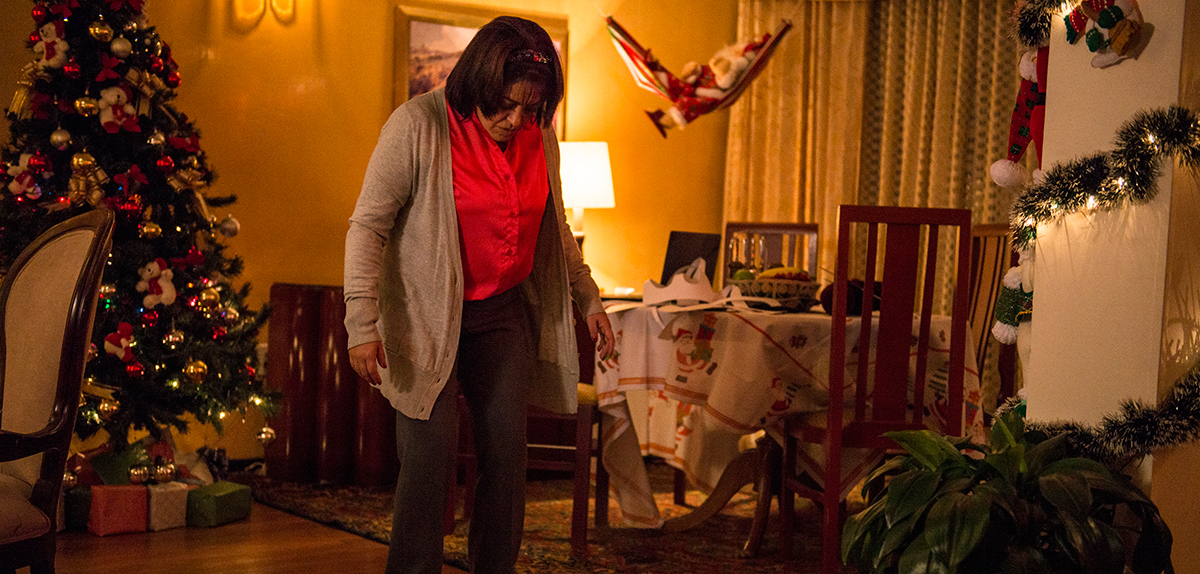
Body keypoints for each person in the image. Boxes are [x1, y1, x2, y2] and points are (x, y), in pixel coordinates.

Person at [343, 15, 615, 574]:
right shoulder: (418, 125)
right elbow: (368, 226)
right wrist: (361, 323)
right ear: (478, 82)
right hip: (425, 317)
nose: (516, 120)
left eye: (530, 108)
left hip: (501, 313)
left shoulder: (538, 136)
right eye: (505, 105)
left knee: (507, 457)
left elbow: (555, 227)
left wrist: (588, 297)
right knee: (429, 459)